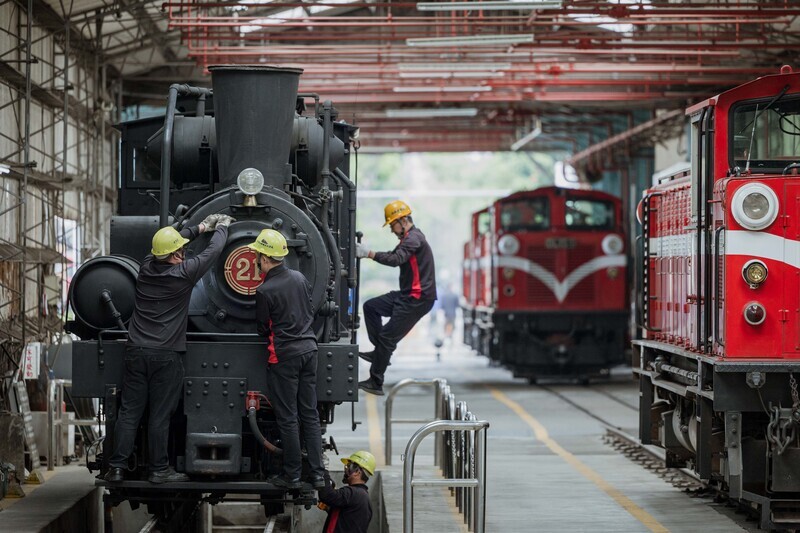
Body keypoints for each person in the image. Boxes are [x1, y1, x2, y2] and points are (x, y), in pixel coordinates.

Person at [104, 213, 232, 484]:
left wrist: (198, 228)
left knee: (130, 412)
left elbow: (172, 244)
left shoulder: (147, 266)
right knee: (159, 416)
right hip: (165, 355)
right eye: (181, 252)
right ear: (175, 256)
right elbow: (213, 252)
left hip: (136, 350)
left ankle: (116, 467)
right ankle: (159, 470)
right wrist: (221, 228)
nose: (184, 255)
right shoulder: (183, 274)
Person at [249, 229, 326, 490]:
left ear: (265, 257)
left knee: (288, 417)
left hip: (285, 355)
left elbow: (263, 328)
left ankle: (291, 475)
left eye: (258, 255)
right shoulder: (300, 278)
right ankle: (317, 473)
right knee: (310, 415)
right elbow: (310, 310)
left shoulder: (265, 290)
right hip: (309, 350)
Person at [355, 200, 437, 395]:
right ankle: (380, 353)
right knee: (371, 306)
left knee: (387, 338)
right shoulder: (409, 239)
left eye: (392, 225)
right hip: (407, 295)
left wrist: (369, 253)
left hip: (418, 298)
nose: (392, 230)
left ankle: (376, 382)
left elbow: (395, 259)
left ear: (403, 220)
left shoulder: (414, 239)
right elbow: (394, 254)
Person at [318, 450, 375, 533]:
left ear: (357, 472)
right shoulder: (362, 496)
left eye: (349, 466)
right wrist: (329, 508)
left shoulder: (352, 493)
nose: (346, 469)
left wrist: (324, 469)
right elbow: (347, 520)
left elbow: (326, 495)